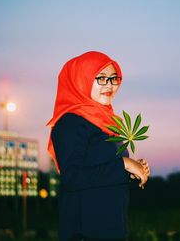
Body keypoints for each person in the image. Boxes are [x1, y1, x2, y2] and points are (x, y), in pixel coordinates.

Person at [46, 51, 150, 241]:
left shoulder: (110, 124)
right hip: (84, 233)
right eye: (101, 78)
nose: (109, 85)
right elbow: (73, 177)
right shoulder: (71, 123)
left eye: (113, 78)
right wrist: (124, 164)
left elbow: (107, 180)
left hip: (113, 230)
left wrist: (135, 174)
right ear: (81, 79)